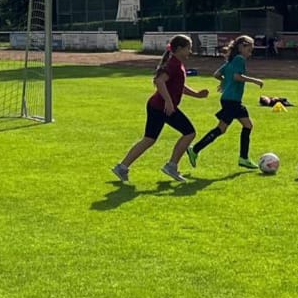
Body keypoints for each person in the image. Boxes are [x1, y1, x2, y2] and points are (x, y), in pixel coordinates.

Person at [111, 34, 208, 185]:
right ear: (179, 49)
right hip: (162, 107)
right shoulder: (173, 64)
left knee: (149, 139)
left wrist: (196, 94)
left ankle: (122, 167)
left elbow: (178, 86)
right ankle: (171, 166)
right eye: (188, 48)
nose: (190, 51)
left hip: (156, 105)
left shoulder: (176, 63)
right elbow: (159, 81)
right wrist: (168, 102)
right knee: (189, 133)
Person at [188, 35, 264, 169]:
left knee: (242, 126)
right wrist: (255, 80)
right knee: (228, 128)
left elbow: (216, 74)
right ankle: (195, 149)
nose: (250, 53)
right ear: (241, 47)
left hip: (229, 100)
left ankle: (243, 158)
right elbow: (237, 76)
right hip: (232, 100)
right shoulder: (239, 59)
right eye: (249, 49)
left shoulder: (231, 61)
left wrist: (225, 81)